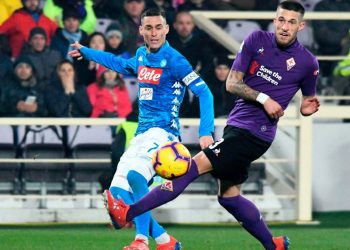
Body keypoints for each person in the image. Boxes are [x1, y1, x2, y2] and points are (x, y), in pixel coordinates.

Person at [101, 1, 320, 250]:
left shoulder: (308, 62)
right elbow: (232, 84)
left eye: (291, 22)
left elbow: (308, 100)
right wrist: (264, 98)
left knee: (187, 169)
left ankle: (128, 213)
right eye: (281, 20)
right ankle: (273, 244)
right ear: (275, 19)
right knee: (229, 197)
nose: (284, 26)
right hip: (235, 126)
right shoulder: (256, 40)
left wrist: (307, 107)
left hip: (256, 134)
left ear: (300, 26)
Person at [69, 7, 214, 250]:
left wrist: (205, 131)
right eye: (149, 27)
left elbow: (204, 92)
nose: (154, 33)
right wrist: (88, 53)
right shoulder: (140, 56)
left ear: (167, 29)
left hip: (164, 132)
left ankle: (140, 241)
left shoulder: (176, 60)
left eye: (159, 27)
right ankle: (166, 241)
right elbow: (119, 63)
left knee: (136, 176)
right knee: (117, 192)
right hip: (141, 133)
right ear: (141, 30)